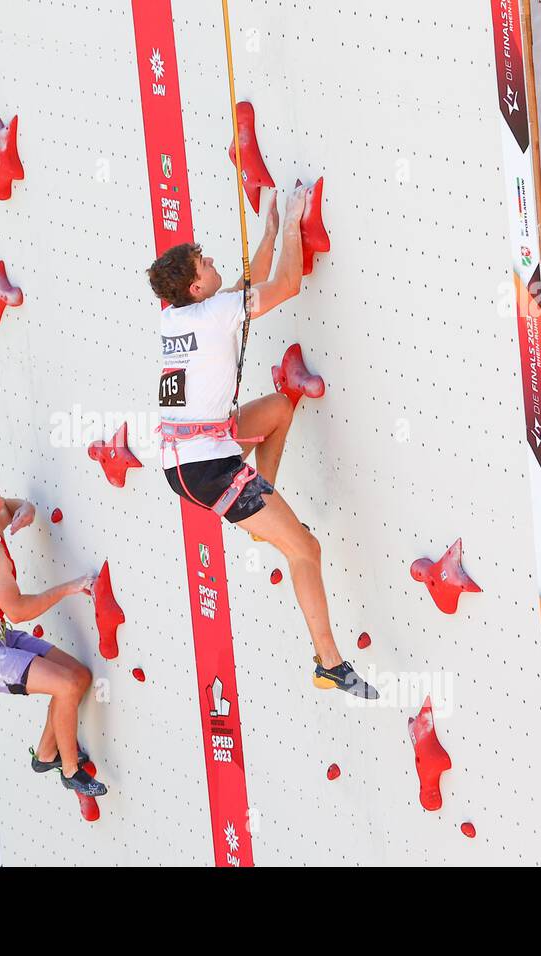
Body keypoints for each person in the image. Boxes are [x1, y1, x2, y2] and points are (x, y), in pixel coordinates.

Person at [147, 185, 377, 699]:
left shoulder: (181, 315)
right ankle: (330, 663)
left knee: (277, 408)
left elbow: (249, 287)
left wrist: (272, 229)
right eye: (202, 261)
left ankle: (262, 492)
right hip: (205, 467)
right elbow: (288, 284)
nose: (210, 260)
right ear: (195, 287)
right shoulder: (212, 315)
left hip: (193, 456)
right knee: (305, 548)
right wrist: (295, 217)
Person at [0, 477, 108, 795]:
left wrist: (26, 510)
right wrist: (70, 587)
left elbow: (13, 506)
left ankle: (45, 755)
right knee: (66, 685)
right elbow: (19, 611)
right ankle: (70, 771)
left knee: (79, 676)